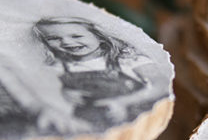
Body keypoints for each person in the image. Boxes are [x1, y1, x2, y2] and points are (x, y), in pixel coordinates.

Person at [32, 16, 167, 129]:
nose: (66, 42)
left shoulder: (126, 58)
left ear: (99, 36)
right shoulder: (59, 65)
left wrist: (124, 102)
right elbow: (45, 90)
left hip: (136, 120)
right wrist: (63, 93)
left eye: (76, 36)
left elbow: (161, 84)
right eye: (53, 38)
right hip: (88, 122)